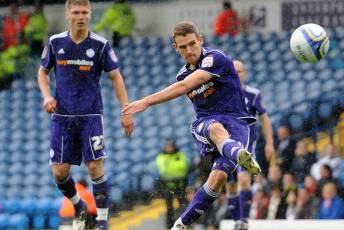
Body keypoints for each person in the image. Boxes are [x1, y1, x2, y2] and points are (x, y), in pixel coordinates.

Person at [122, 21, 261, 230]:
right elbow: (185, 83)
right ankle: (239, 154)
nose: (189, 50)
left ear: (200, 41)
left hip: (238, 124)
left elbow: (187, 85)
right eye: (183, 46)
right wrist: (146, 102)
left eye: (192, 44)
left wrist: (145, 101)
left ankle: (181, 224)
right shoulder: (182, 74)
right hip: (206, 124)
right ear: (175, 48)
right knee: (215, 128)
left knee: (219, 178)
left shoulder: (216, 58)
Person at [37, 0, 134, 229]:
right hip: (62, 117)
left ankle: (101, 221)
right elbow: (42, 72)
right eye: (76, 12)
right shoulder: (55, 42)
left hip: (91, 115)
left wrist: (126, 110)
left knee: (94, 167)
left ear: (90, 14)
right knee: (59, 173)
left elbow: (116, 77)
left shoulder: (100, 45)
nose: (80, 16)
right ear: (67, 14)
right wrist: (46, 96)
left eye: (84, 12)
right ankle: (79, 205)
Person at [225, 60, 274, 229]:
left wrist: (269, 143)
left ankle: (244, 220)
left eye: (240, 71)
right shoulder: (221, 95)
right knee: (230, 185)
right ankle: (236, 220)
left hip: (247, 145)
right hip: (226, 146)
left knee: (244, 180)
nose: (237, 74)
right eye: (234, 71)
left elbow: (265, 118)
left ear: (244, 73)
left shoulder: (253, 94)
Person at [156, 138, 189, 229]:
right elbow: (163, 170)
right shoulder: (161, 156)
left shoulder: (180, 155)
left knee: (183, 206)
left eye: (170, 146)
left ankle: (185, 224)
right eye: (167, 146)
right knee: (169, 208)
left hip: (180, 186)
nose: (169, 148)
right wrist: (175, 168)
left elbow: (183, 167)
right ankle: (170, 226)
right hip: (168, 187)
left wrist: (172, 168)